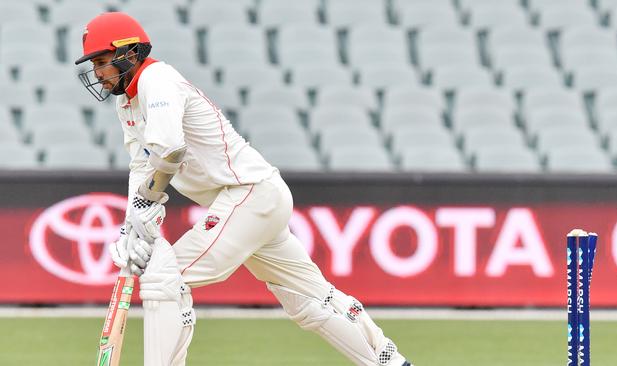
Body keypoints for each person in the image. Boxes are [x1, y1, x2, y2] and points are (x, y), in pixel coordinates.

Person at [75, 12, 414, 366]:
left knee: (166, 278)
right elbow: (141, 166)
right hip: (255, 199)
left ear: (128, 52)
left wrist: (149, 199)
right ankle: (390, 360)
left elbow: (170, 149)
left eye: (101, 62)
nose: (97, 73)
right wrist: (132, 225)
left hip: (249, 194)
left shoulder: (156, 79)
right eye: (95, 65)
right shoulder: (126, 103)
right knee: (310, 301)